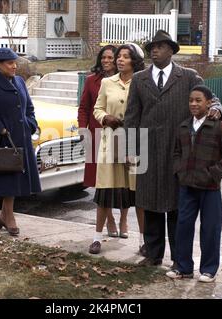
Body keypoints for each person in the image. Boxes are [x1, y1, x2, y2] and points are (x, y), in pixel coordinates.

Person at [124, 30, 222, 267]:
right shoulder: (139, 79)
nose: (154, 51)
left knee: (178, 207)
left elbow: (212, 98)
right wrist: (129, 149)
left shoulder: (188, 77)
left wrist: (217, 109)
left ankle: (180, 260)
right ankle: (153, 254)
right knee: (149, 204)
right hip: (148, 150)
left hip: (179, 151)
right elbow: (131, 117)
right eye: (151, 48)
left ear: (171, 50)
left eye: (159, 46)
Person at [166, 85, 222, 282]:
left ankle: (208, 269)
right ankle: (183, 267)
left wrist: (213, 174)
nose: (193, 104)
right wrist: (179, 171)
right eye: (191, 100)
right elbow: (176, 153)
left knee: (210, 228)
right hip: (187, 186)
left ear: (209, 103)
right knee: (183, 226)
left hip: (210, 188)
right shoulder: (183, 127)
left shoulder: (220, 127)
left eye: (198, 100)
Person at [0, 47, 41, 236]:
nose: (14, 66)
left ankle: (4, 216)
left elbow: (29, 107)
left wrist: (30, 124)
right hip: (1, 139)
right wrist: (0, 128)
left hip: (21, 137)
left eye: (15, 62)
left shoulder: (19, 81)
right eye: (10, 63)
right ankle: (9, 218)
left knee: (16, 177)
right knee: (8, 178)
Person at [89, 43, 146, 255]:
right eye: (118, 56)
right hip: (110, 141)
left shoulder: (142, 82)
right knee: (104, 190)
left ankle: (143, 241)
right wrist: (105, 118)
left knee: (139, 193)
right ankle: (96, 238)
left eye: (125, 57)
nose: (119, 60)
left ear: (135, 61)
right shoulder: (106, 82)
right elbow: (97, 109)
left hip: (136, 143)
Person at [78, 45, 119, 237]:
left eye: (111, 57)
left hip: (119, 135)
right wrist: (82, 128)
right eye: (104, 57)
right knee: (100, 180)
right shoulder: (91, 81)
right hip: (96, 134)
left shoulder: (125, 81)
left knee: (116, 179)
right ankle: (109, 218)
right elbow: (84, 107)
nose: (107, 61)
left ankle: (117, 218)